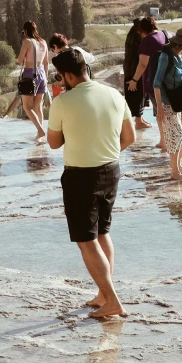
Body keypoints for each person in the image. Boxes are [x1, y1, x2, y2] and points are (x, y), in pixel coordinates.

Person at [47, 47, 134, 319]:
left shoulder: (63, 101)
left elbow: (53, 142)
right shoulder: (114, 94)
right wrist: (104, 152)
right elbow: (129, 137)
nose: (60, 81)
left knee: (86, 241)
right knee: (102, 233)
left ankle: (112, 300)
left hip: (80, 176)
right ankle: (103, 294)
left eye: (60, 76)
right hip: (111, 170)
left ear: (68, 75)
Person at [152, 28, 182, 180]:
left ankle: (176, 164)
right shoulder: (165, 56)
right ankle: (174, 171)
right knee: (175, 134)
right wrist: (159, 107)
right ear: (181, 43)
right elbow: (157, 83)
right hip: (166, 101)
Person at [129, 16, 169, 150]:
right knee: (167, 111)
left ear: (142, 30)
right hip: (166, 79)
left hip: (153, 81)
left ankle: (164, 141)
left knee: (160, 112)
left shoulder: (147, 41)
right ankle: (169, 138)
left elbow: (143, 64)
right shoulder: (163, 34)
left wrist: (134, 80)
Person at [16, 21, 49, 140]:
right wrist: (45, 76)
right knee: (38, 107)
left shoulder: (27, 42)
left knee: (27, 107)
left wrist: (18, 58)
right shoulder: (43, 42)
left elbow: (20, 60)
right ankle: (39, 133)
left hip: (30, 74)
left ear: (25, 31)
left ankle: (40, 131)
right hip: (41, 74)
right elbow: (46, 63)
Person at [122, 18, 149, 131]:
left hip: (131, 68)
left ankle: (140, 119)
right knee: (137, 94)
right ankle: (138, 121)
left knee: (139, 94)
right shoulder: (136, 37)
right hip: (134, 69)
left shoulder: (132, 34)